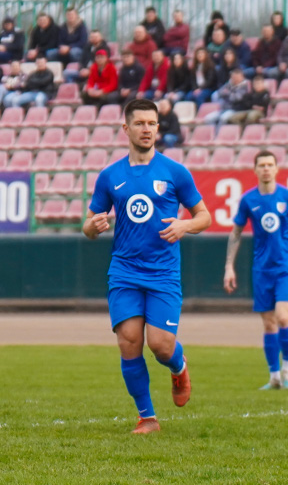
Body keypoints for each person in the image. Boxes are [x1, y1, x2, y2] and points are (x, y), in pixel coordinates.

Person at [82, 98, 211, 434]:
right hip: (124, 270)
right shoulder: (110, 176)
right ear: (126, 129)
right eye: (139, 123)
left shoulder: (174, 171)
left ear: (158, 127)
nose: (146, 129)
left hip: (163, 272)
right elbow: (88, 224)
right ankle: (147, 417)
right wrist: (92, 227)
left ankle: (179, 366)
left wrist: (184, 226)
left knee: (160, 345)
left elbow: (204, 216)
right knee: (128, 340)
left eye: (151, 124)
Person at [224, 150, 288, 390]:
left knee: (283, 317)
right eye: (261, 165)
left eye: (269, 165)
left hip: (286, 267)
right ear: (255, 170)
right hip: (262, 269)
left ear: (276, 169)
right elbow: (235, 233)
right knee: (268, 324)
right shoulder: (248, 200)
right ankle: (274, 376)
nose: (265, 169)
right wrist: (228, 267)